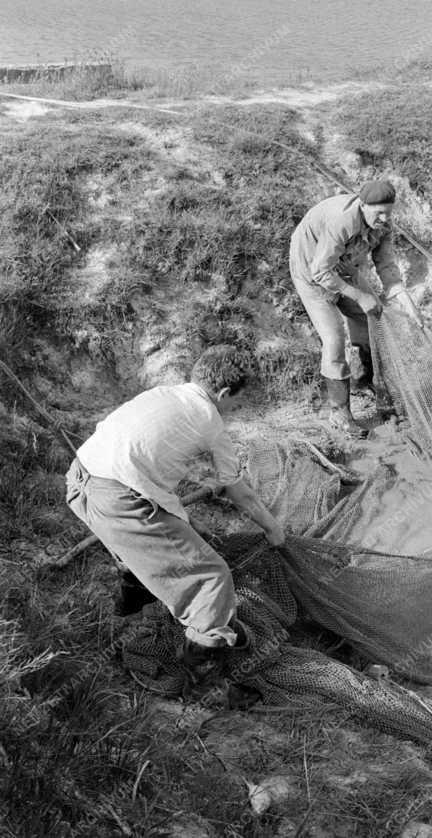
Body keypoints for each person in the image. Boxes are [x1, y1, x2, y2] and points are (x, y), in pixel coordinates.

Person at [65, 345, 286, 669]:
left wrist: (188, 524)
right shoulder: (210, 421)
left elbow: (147, 476)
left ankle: (129, 616)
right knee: (212, 578)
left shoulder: (163, 394)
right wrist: (272, 528)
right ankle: (199, 668)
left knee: (154, 547)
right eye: (238, 401)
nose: (236, 407)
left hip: (78, 481)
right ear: (224, 392)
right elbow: (240, 493)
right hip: (118, 502)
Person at [289, 180, 405, 439]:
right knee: (334, 339)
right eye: (379, 212)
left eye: (389, 211)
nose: (385, 218)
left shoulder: (384, 224)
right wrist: (357, 295)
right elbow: (320, 270)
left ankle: (364, 378)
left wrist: (401, 294)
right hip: (311, 270)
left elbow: (385, 264)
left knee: (373, 316)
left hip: (344, 266)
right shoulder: (342, 221)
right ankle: (340, 413)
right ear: (363, 206)